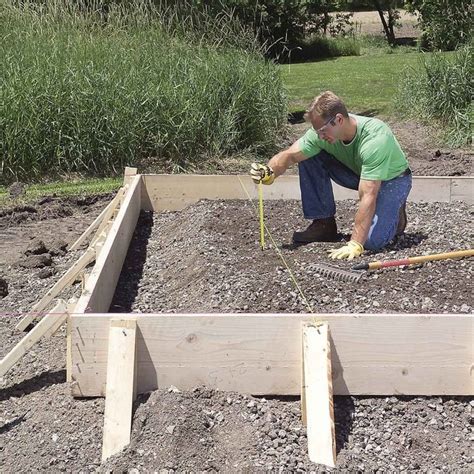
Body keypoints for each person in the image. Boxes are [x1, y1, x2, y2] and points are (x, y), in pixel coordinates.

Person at [250, 91, 412, 260]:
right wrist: (269, 172)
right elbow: (290, 155)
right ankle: (323, 224)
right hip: (360, 173)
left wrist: (355, 243)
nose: (319, 136)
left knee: (372, 242)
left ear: (339, 120)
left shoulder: (375, 138)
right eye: (316, 130)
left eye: (322, 130)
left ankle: (396, 214)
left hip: (393, 181)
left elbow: (368, 194)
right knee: (309, 156)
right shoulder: (321, 134)